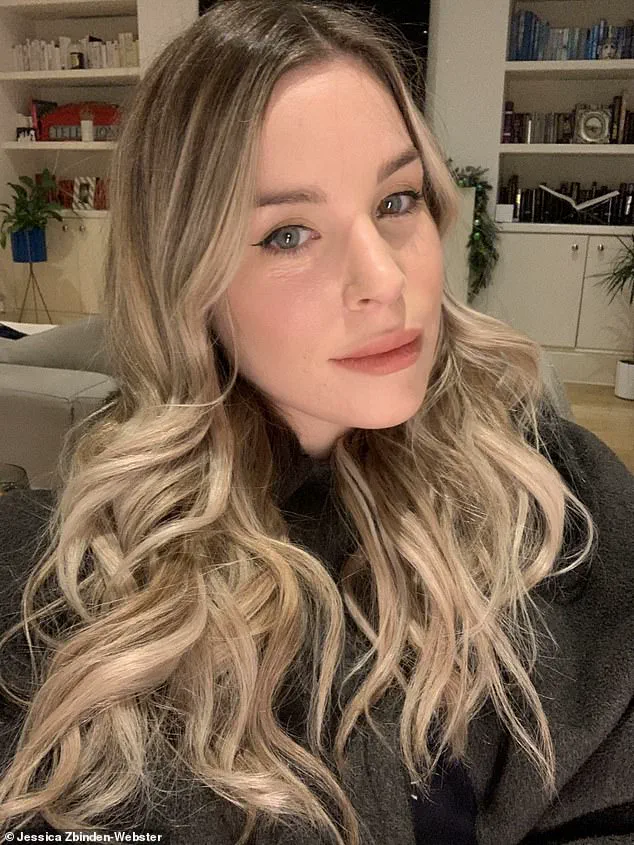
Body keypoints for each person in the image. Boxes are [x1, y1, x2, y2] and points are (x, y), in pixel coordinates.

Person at [0, 1, 633, 843]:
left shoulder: (561, 506)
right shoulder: (60, 586)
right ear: (188, 281)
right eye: (289, 234)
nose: (384, 279)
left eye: (397, 200)